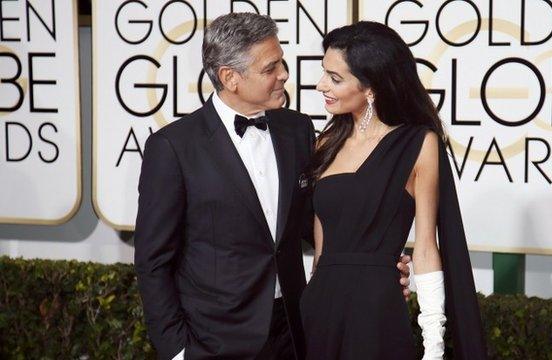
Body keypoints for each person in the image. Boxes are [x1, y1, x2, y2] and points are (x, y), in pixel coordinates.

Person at [134, 13, 410, 360]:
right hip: (213, 339)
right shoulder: (174, 147)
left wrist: (377, 264)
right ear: (229, 78)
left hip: (293, 332)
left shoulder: (297, 130)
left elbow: (319, 220)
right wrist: (176, 350)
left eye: (282, 63)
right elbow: (153, 261)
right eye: (270, 68)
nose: (284, 75)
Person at [300, 21, 487, 359]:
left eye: (335, 78)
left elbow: (427, 249)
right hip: (319, 310)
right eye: (324, 73)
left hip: (375, 312)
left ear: (371, 87)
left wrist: (433, 346)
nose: (321, 85)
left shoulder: (418, 144)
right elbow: (322, 246)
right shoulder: (325, 143)